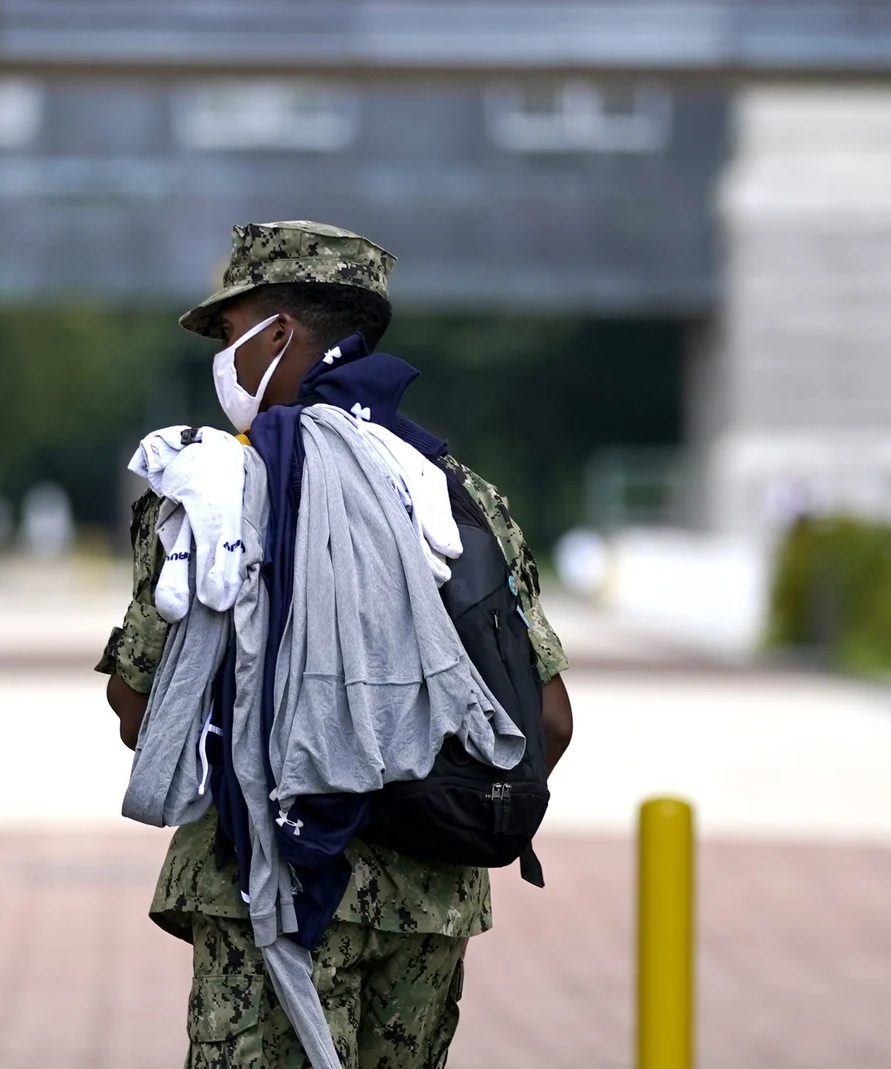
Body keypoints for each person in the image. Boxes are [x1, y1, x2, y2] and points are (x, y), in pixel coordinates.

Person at [97, 221, 576, 1068]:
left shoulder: (212, 491)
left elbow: (143, 713)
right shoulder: (460, 498)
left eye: (228, 330)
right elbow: (548, 719)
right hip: (431, 898)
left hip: (272, 899)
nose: (225, 357)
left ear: (277, 333)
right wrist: (412, 791)